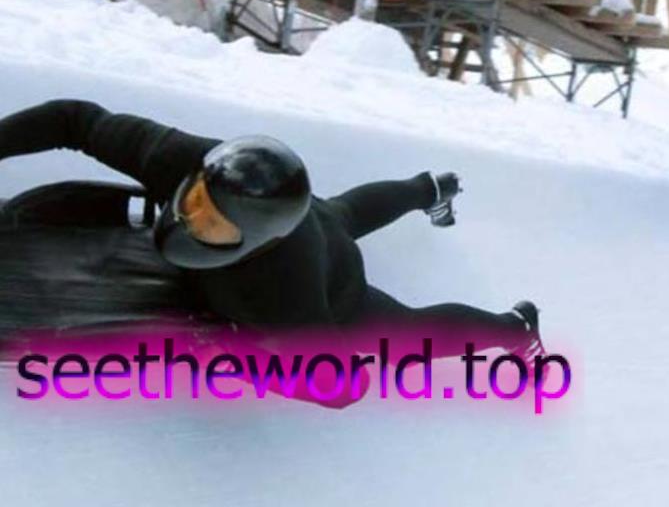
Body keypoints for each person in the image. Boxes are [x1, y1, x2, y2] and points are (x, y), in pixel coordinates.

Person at [0, 99, 546, 385]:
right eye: (194, 203)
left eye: (212, 227)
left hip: (332, 278)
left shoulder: (286, 298)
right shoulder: (184, 160)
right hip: (308, 216)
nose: (191, 222)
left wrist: (241, 359)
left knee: (402, 327)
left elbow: (342, 385)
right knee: (341, 211)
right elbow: (75, 119)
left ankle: (515, 328)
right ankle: (429, 187)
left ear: (255, 241)